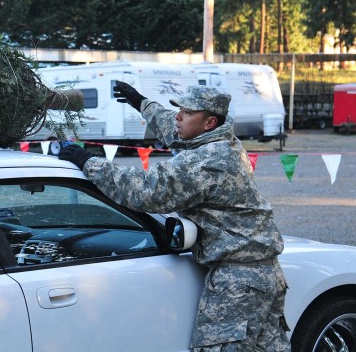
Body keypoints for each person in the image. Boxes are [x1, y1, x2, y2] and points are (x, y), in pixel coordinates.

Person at [58, 81, 290, 351]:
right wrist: (141, 101)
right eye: (179, 109)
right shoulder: (222, 140)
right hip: (263, 273)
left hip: (238, 282)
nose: (178, 116)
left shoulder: (208, 160)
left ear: (209, 122)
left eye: (187, 112)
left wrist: (89, 162)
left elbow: (146, 191)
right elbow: (173, 126)